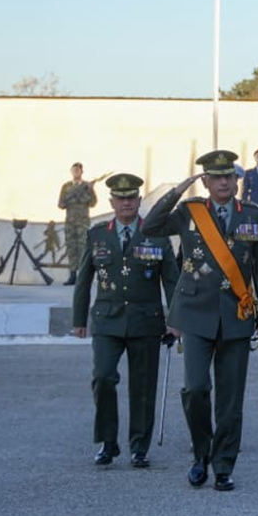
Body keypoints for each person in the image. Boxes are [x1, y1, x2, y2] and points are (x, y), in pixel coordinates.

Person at [142, 150, 258, 492]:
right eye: (216, 177)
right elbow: (150, 226)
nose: (223, 183)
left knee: (230, 399)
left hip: (237, 315)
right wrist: (177, 191)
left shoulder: (253, 215)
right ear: (205, 180)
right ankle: (200, 454)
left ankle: (223, 465)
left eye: (229, 177)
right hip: (195, 314)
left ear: (236, 180)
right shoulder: (190, 212)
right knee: (196, 389)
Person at [71, 173, 180, 468]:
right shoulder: (98, 235)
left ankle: (139, 447)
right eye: (121, 198)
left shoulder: (156, 233)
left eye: (131, 197)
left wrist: (176, 319)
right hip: (108, 320)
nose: (126, 203)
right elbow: (84, 280)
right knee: (103, 377)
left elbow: (171, 280)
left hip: (146, 321)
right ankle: (108, 442)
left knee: (143, 386)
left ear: (139, 200)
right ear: (111, 202)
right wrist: (79, 318)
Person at [58, 163, 99, 286]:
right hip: (70, 222)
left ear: (82, 172)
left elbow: (93, 203)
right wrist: (72, 195)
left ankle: (83, 276)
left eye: (78, 170)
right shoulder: (66, 187)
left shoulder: (87, 186)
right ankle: (72, 275)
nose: (75, 172)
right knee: (71, 248)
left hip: (83, 223)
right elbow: (61, 204)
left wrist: (91, 189)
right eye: (73, 170)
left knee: (83, 248)